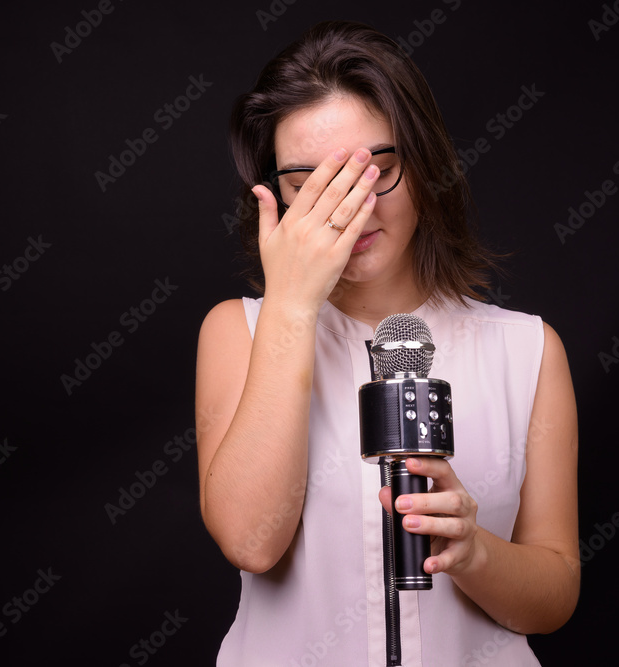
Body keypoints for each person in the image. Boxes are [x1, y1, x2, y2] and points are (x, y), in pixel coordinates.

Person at [195, 21, 579, 666]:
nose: (353, 208)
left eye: (376, 169)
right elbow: (251, 542)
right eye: (309, 183)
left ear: (424, 165)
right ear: (276, 195)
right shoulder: (240, 331)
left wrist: (476, 551)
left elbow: (554, 595)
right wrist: (292, 302)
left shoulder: (527, 350)